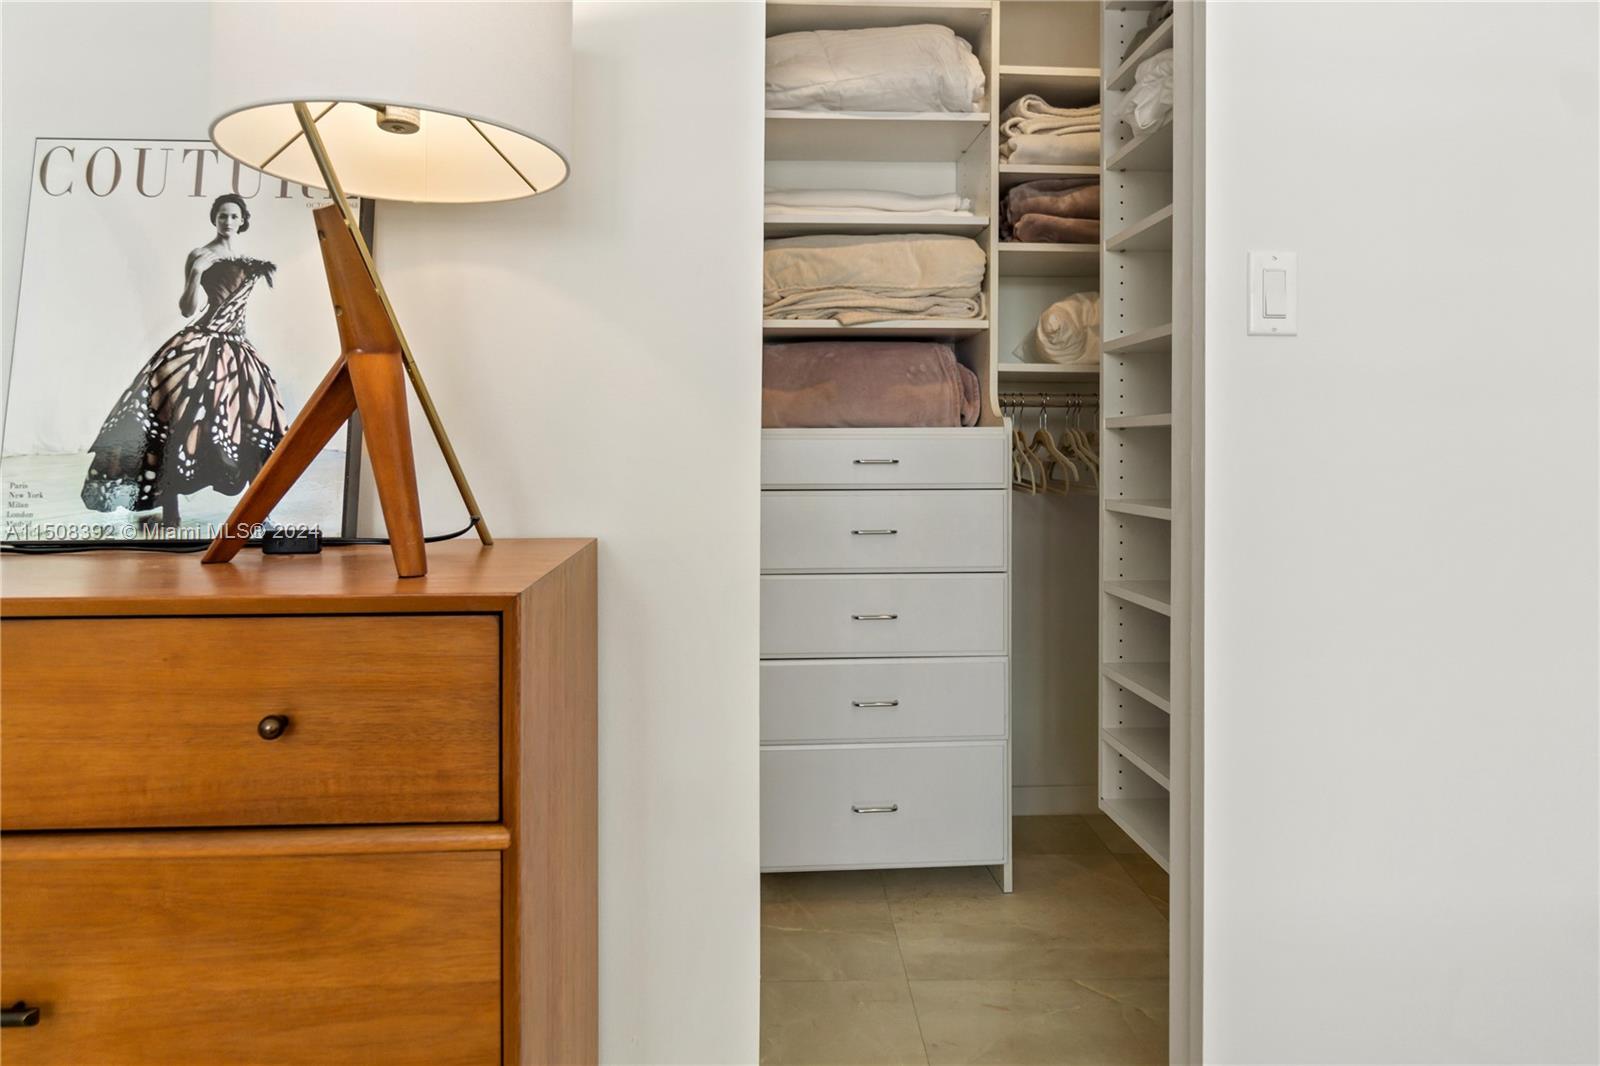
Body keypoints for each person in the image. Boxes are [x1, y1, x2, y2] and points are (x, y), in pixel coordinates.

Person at [81, 192, 285, 529]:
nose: (228, 221)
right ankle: (171, 515)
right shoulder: (200, 255)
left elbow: (241, 314)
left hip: (237, 350)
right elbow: (187, 309)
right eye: (222, 215)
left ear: (243, 220)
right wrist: (195, 275)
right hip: (200, 344)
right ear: (215, 219)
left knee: (251, 423)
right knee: (178, 421)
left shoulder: (250, 262)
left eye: (234, 216)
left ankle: (258, 512)